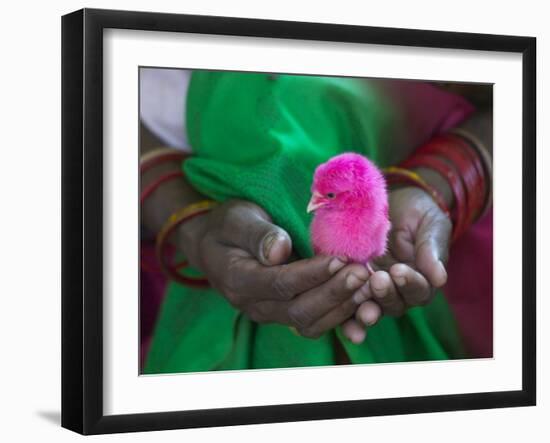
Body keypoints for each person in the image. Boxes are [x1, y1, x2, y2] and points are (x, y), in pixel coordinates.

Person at [139, 69, 493, 373]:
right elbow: (98, 106)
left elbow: (528, 85)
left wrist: (443, 181)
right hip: (191, 289)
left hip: (461, 281)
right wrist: (192, 226)